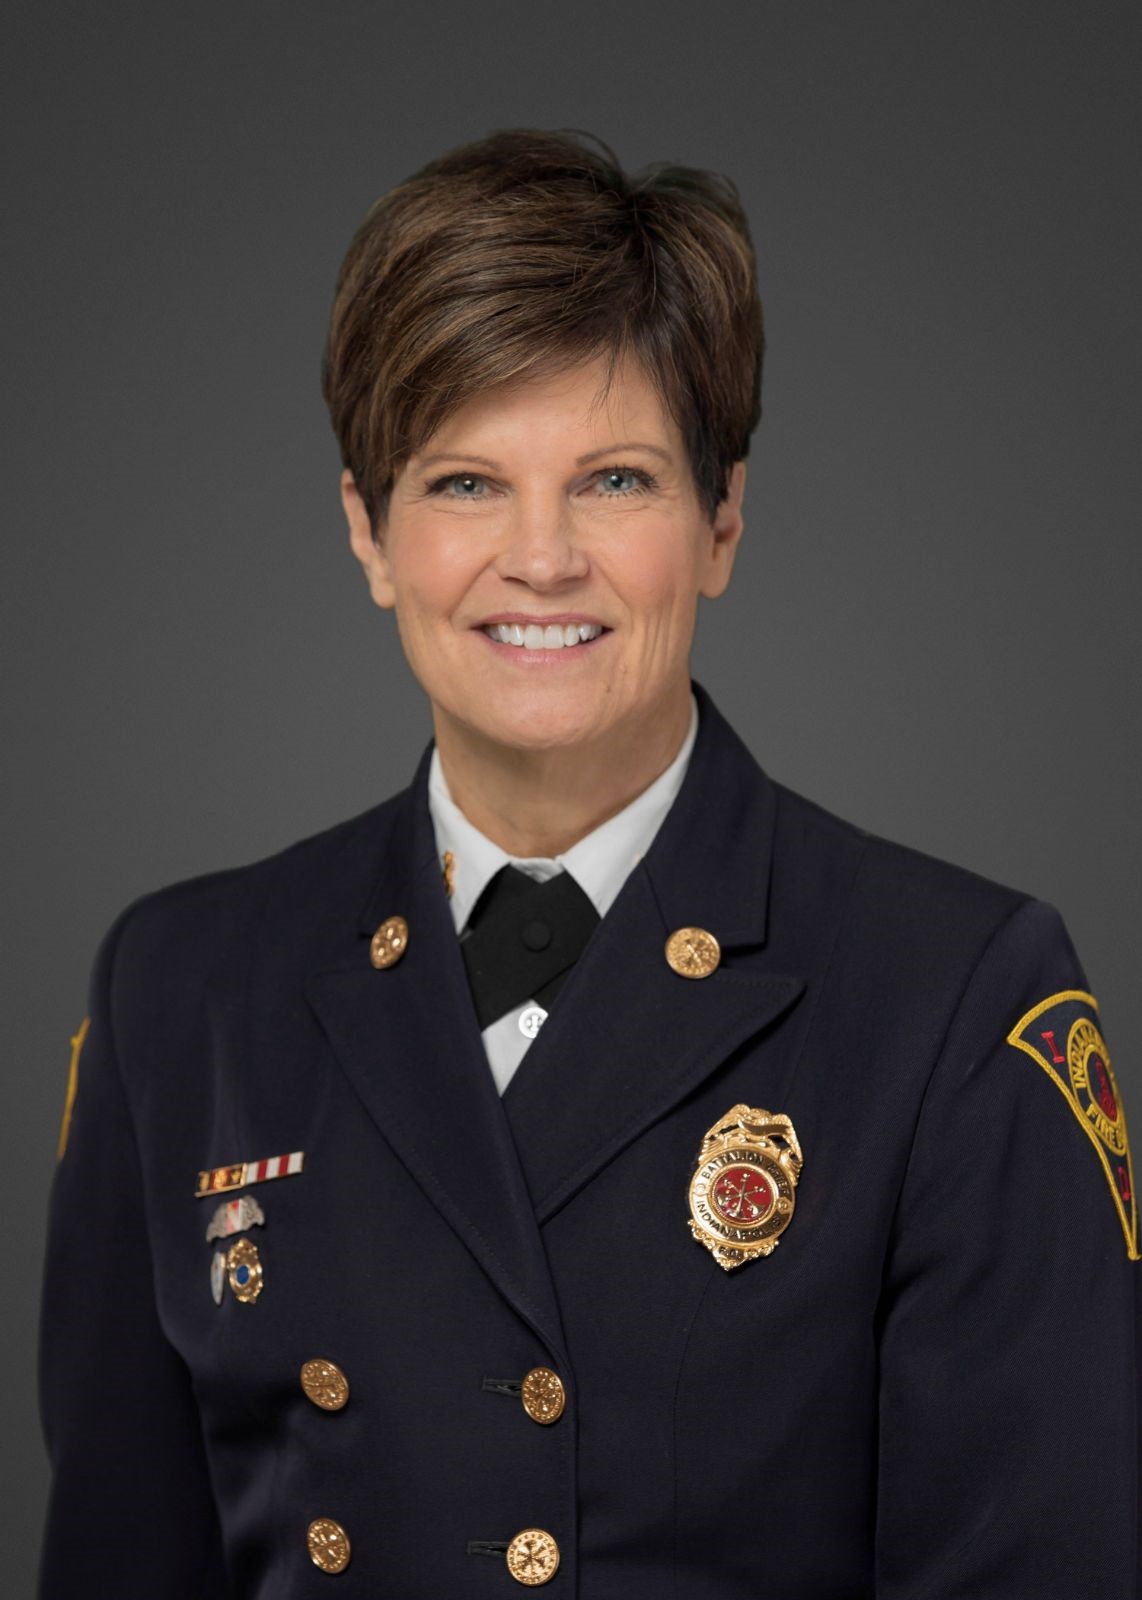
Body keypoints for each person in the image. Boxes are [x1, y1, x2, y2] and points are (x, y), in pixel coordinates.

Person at [38, 128, 1139, 1599]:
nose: (543, 558)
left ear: (721, 520)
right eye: (464, 485)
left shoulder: (953, 999)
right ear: (368, 532)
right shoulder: (182, 991)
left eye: (615, 480)